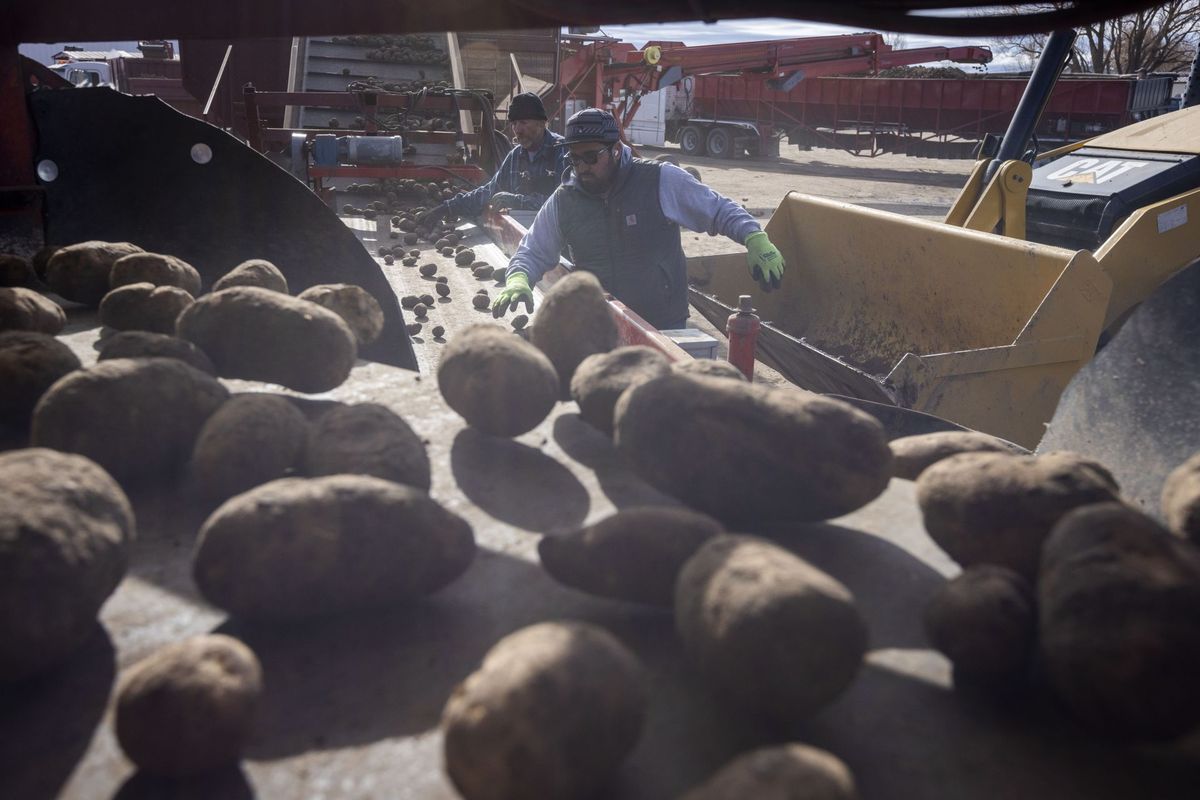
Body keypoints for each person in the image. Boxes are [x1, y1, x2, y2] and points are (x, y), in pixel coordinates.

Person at [492, 108, 785, 329]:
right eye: (574, 158)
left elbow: (719, 210)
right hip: (600, 325)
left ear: (616, 150)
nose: (581, 166)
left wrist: (754, 237)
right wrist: (518, 278)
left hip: (663, 322)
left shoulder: (660, 180)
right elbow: (534, 250)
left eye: (591, 157)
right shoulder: (565, 199)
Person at [417, 92, 569, 229]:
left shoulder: (562, 151)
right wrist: (447, 208)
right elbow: (488, 192)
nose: (518, 129)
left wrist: (518, 202)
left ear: (541, 123)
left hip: (558, 238)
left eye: (523, 122)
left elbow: (565, 203)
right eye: (514, 123)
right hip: (524, 236)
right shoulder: (516, 156)